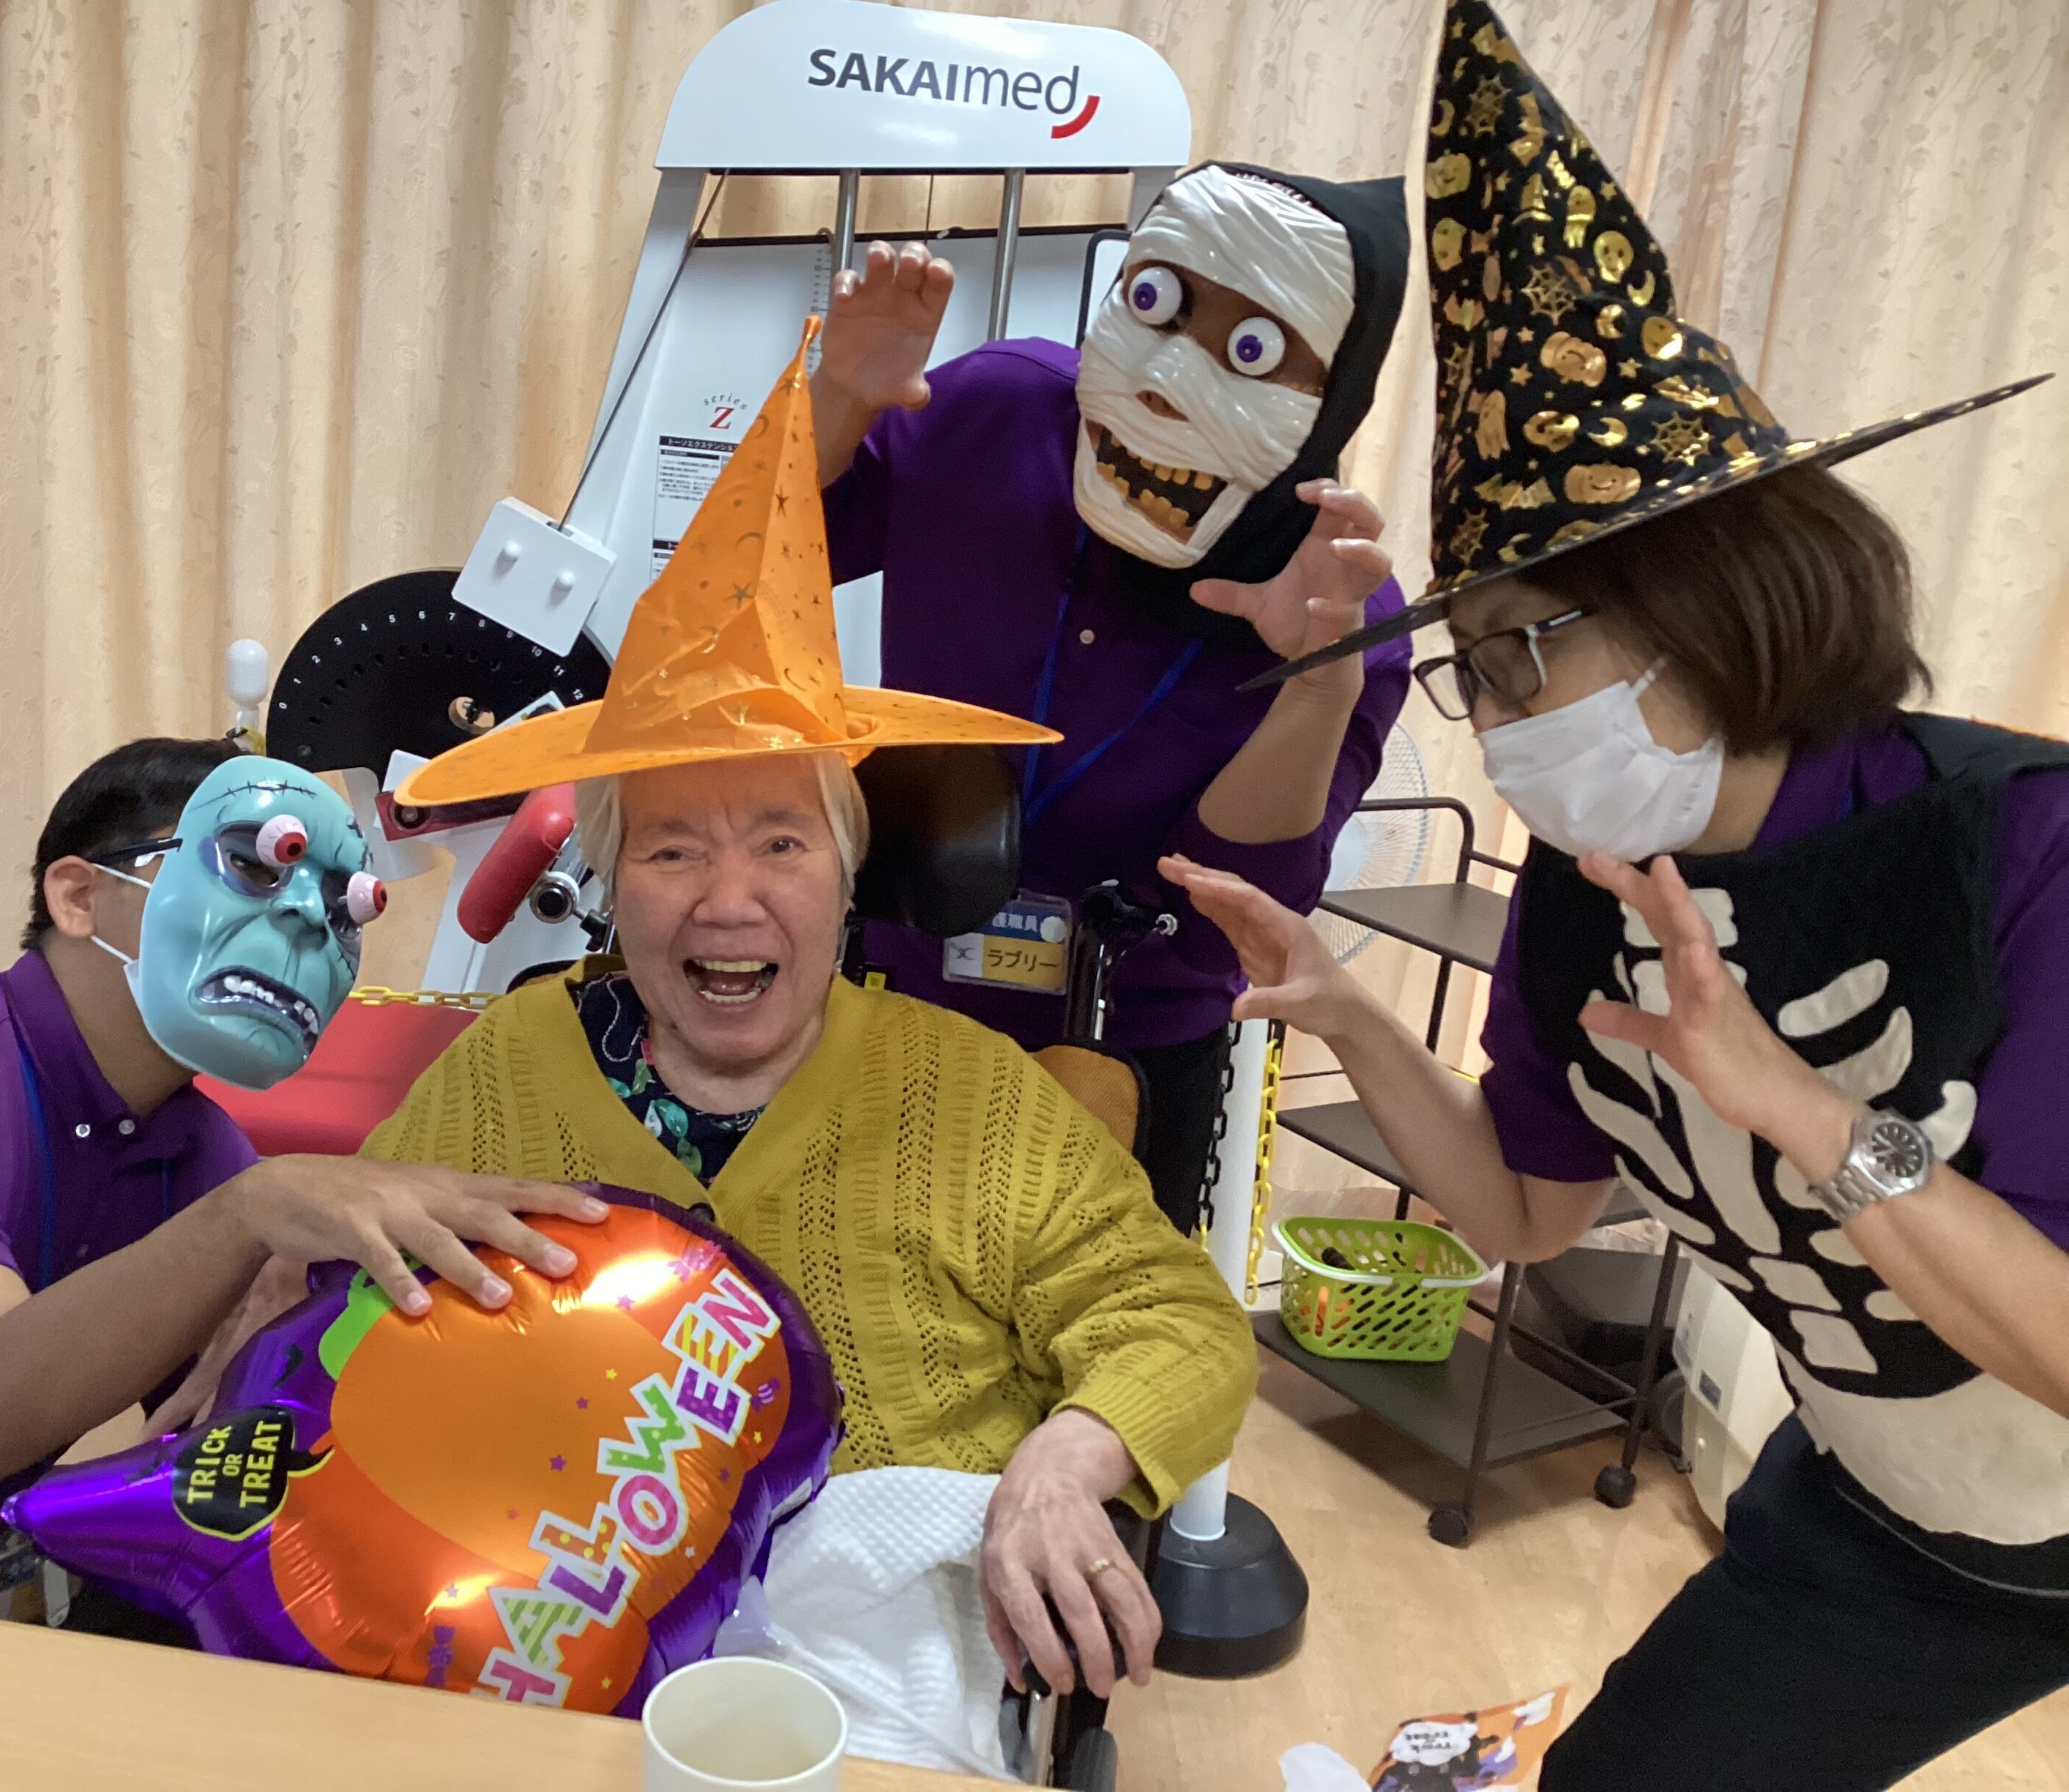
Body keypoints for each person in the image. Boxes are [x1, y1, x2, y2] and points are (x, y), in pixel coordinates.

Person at [1168, 5, 2068, 1787]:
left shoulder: (2019, 845)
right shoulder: (1589, 888)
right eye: (1477, 669)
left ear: (1712, 593)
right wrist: (1346, 1010)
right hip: (1895, 1520)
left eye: (1529, 650)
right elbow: (1522, 1211)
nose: (1501, 721)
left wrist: (1808, 1113)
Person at [381, 323, 1258, 1712]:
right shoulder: (505, 1071)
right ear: (608, 879)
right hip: (538, 1640)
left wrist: (1062, 1463)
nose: (727, 898)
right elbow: (354, 1292)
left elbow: (1180, 1323)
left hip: (874, 1681)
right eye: (670, 847)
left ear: (849, 876)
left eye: (782, 843)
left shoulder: (972, 1093)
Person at [0, 738, 599, 1612]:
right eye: (258, 866)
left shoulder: (199, 1153)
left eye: (346, 905)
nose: (305, 922)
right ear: (79, 896)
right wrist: (252, 1213)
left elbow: (224, 1451)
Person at [810, 159, 1414, 1230]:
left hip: (1129, 1048)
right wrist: (838, 402)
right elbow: (748, 577)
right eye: (1154, 301)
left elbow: (1236, 922)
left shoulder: (1343, 607)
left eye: (1250, 350)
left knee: (1101, 1320)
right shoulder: (990, 411)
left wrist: (1316, 682)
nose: (1168, 379)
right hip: (893, 983)